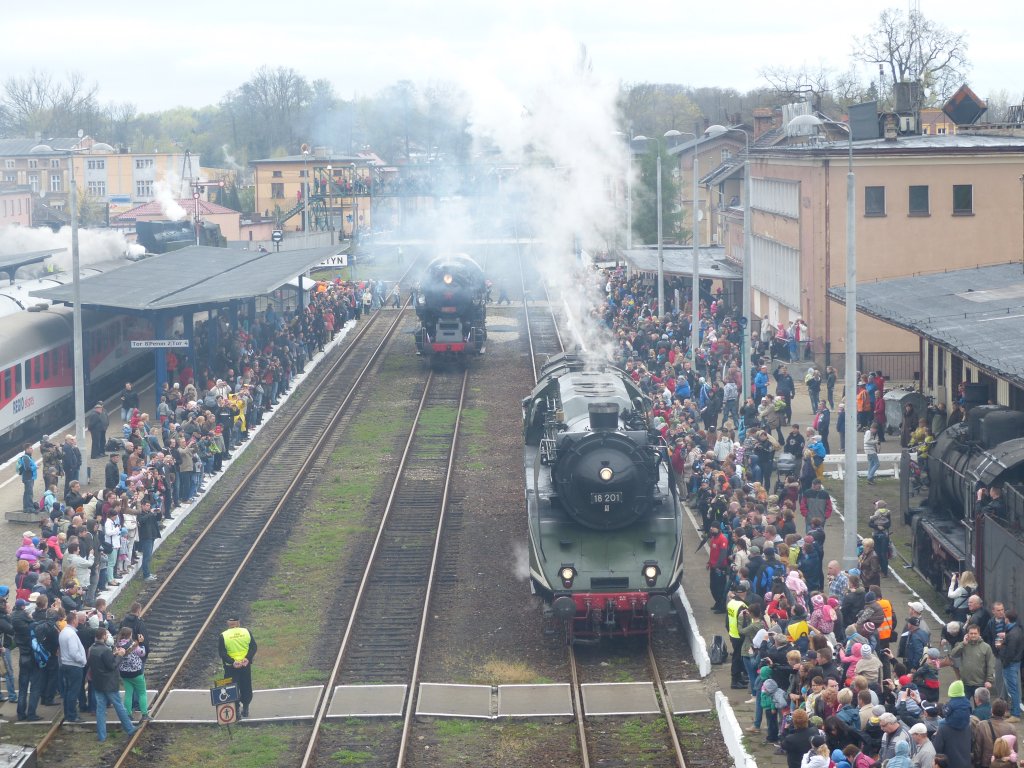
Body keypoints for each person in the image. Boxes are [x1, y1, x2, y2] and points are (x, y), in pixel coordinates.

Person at [87, 627, 137, 741]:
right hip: (109, 683)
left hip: (98, 683)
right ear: (104, 636)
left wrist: (113, 654)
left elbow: (92, 662)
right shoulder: (105, 650)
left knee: (100, 710)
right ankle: (129, 728)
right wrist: (119, 655)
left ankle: (101, 736)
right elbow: (112, 666)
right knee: (119, 706)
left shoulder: (92, 649)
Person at [218, 617, 257, 718]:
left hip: (231, 667)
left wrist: (232, 662)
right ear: (238, 623)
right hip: (245, 665)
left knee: (231, 688)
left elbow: (222, 653)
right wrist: (247, 658)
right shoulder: (246, 632)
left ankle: (236, 711)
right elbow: (253, 647)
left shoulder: (224, 635)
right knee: (246, 686)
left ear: (228, 623)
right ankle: (246, 708)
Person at [58, 610, 88, 722]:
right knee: (73, 692)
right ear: (74, 620)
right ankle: (72, 715)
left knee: (68, 691)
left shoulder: (64, 632)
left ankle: (68, 713)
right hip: (74, 666)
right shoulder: (70, 634)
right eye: (76, 619)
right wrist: (83, 661)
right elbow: (73, 652)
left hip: (66, 664)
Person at [115, 627, 149, 721]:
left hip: (124, 674)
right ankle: (145, 714)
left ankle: (128, 714)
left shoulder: (118, 645)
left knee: (128, 694)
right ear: (130, 635)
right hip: (136, 672)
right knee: (142, 693)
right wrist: (141, 643)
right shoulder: (133, 644)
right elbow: (142, 653)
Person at [16, 444, 37, 515]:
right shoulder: (26, 458)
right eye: (30, 448)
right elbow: (27, 468)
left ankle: (26, 507)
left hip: (29, 478)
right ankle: (30, 508)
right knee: (29, 493)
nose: (32, 449)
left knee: (27, 493)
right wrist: (35, 467)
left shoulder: (28, 457)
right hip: (28, 478)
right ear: (26, 449)